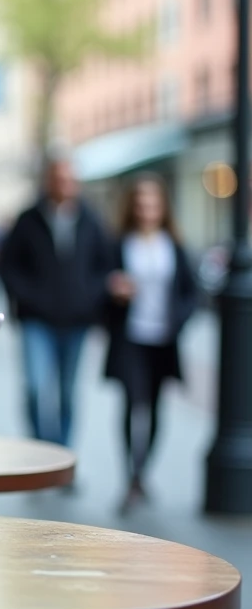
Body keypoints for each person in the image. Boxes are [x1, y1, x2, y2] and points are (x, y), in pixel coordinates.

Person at [0, 158, 113, 448]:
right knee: (37, 388)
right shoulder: (28, 219)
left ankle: (62, 456)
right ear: (48, 182)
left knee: (67, 392)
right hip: (36, 320)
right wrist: (27, 296)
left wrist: (90, 296)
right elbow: (8, 266)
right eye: (58, 179)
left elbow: (104, 265)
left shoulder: (91, 219)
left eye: (69, 179)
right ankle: (39, 450)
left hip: (76, 321)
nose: (64, 185)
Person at [103, 173, 197, 512]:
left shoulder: (174, 245)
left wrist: (179, 320)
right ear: (133, 206)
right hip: (130, 337)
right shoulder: (119, 244)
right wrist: (114, 290)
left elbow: (190, 291)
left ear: (162, 207)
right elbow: (103, 283)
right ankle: (131, 475)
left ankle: (142, 473)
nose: (147, 209)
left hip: (163, 339)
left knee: (156, 406)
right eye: (141, 203)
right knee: (132, 402)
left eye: (153, 203)